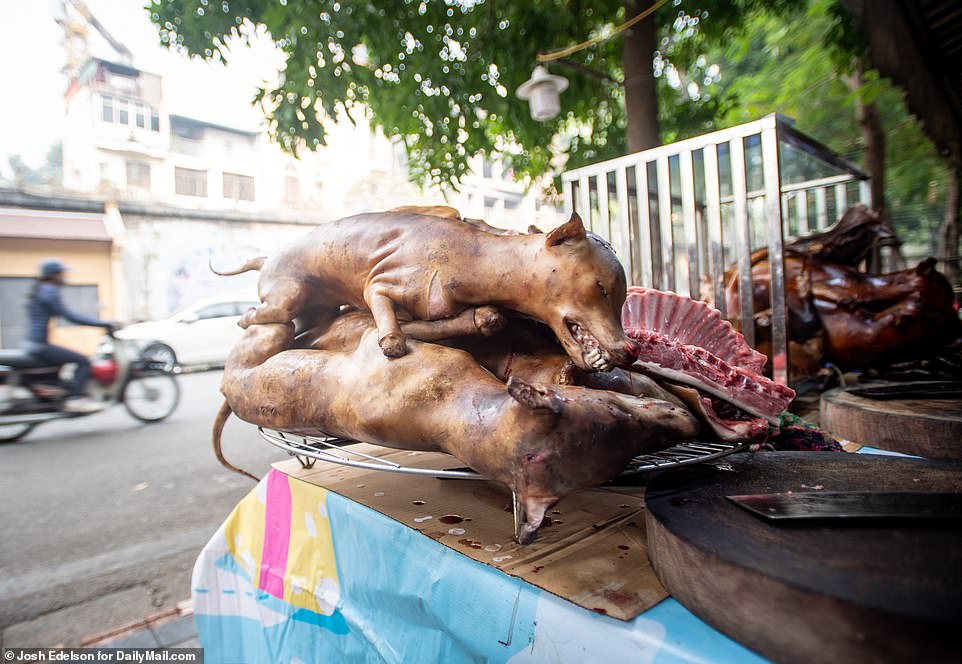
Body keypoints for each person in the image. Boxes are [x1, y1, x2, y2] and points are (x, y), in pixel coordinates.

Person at [23, 259, 117, 413]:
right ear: (53, 275)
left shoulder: (41, 290)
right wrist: (103, 323)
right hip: (40, 345)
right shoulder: (49, 291)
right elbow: (70, 316)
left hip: (34, 343)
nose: (63, 277)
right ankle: (75, 398)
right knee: (83, 360)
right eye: (61, 273)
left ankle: (64, 394)